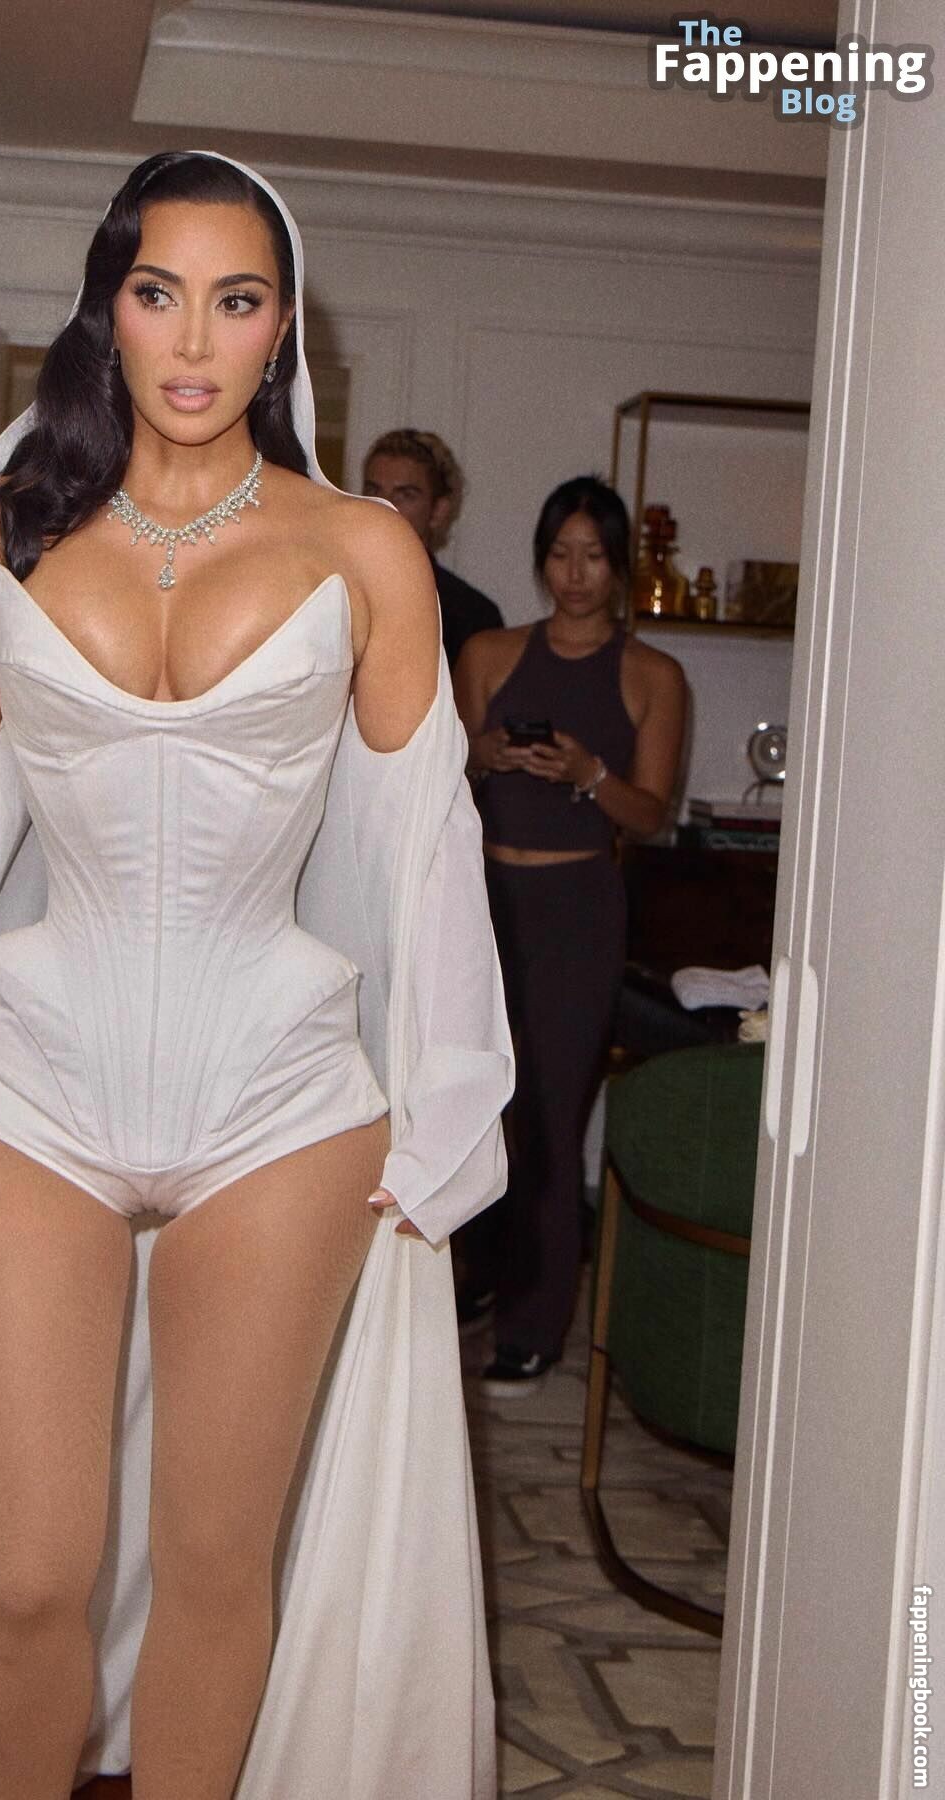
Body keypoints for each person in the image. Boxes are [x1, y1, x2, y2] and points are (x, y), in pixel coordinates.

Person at [0, 152, 514, 1799]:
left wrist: (452, 1101)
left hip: (283, 1104)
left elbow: (426, 845)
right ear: (110, 308)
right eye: (160, 293)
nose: (195, 340)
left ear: (283, 328)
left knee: (217, 1570)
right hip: (31, 1086)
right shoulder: (5, 534)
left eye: (237, 301)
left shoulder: (363, 550)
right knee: (30, 1576)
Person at [453, 476, 685, 1395]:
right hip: (480, 900)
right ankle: (472, 1280)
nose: (574, 574)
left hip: (578, 909)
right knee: (469, 1101)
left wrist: (589, 773)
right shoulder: (488, 652)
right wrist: (483, 753)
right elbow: (433, 769)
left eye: (592, 556)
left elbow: (652, 816)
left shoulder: (653, 675)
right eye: (559, 554)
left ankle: (534, 1323)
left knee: (549, 1117)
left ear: (620, 566)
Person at [363, 427, 502, 669]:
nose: (384, 505)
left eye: (405, 495)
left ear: (438, 511)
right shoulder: (332, 589)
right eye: (374, 490)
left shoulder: (471, 614)